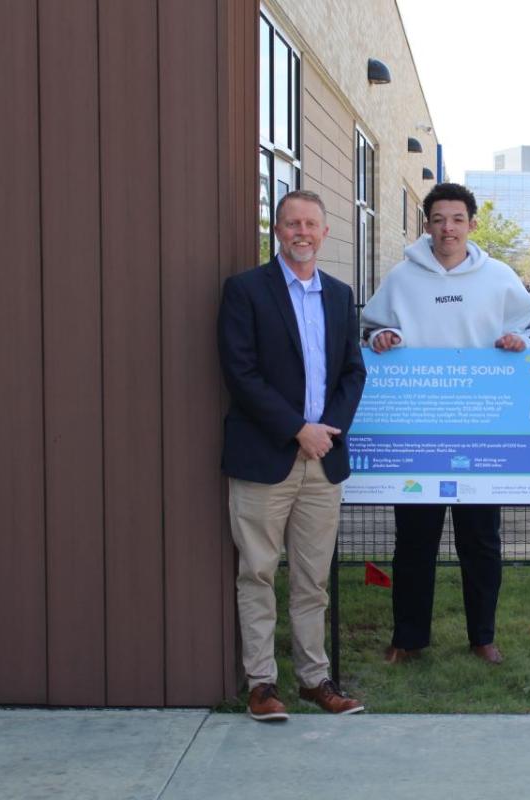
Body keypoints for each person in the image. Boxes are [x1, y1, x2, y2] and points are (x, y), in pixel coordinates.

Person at [361, 182, 530, 666]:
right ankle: (408, 638)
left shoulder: (499, 277)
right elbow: (372, 327)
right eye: (439, 219)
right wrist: (382, 337)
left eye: (457, 219)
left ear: (472, 224)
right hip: (418, 432)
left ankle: (482, 635)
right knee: (413, 542)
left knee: (480, 541)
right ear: (427, 224)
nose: (448, 229)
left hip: (481, 430)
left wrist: (517, 342)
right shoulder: (401, 278)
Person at [218, 190, 367, 721]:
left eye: (311, 224)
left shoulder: (339, 294)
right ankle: (261, 684)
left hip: (322, 461)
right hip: (265, 459)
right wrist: (297, 429)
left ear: (325, 233)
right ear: (276, 231)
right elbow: (241, 373)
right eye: (291, 224)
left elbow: (353, 371)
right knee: (257, 572)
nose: (302, 232)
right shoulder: (244, 291)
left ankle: (314, 678)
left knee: (313, 579)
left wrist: (327, 432)